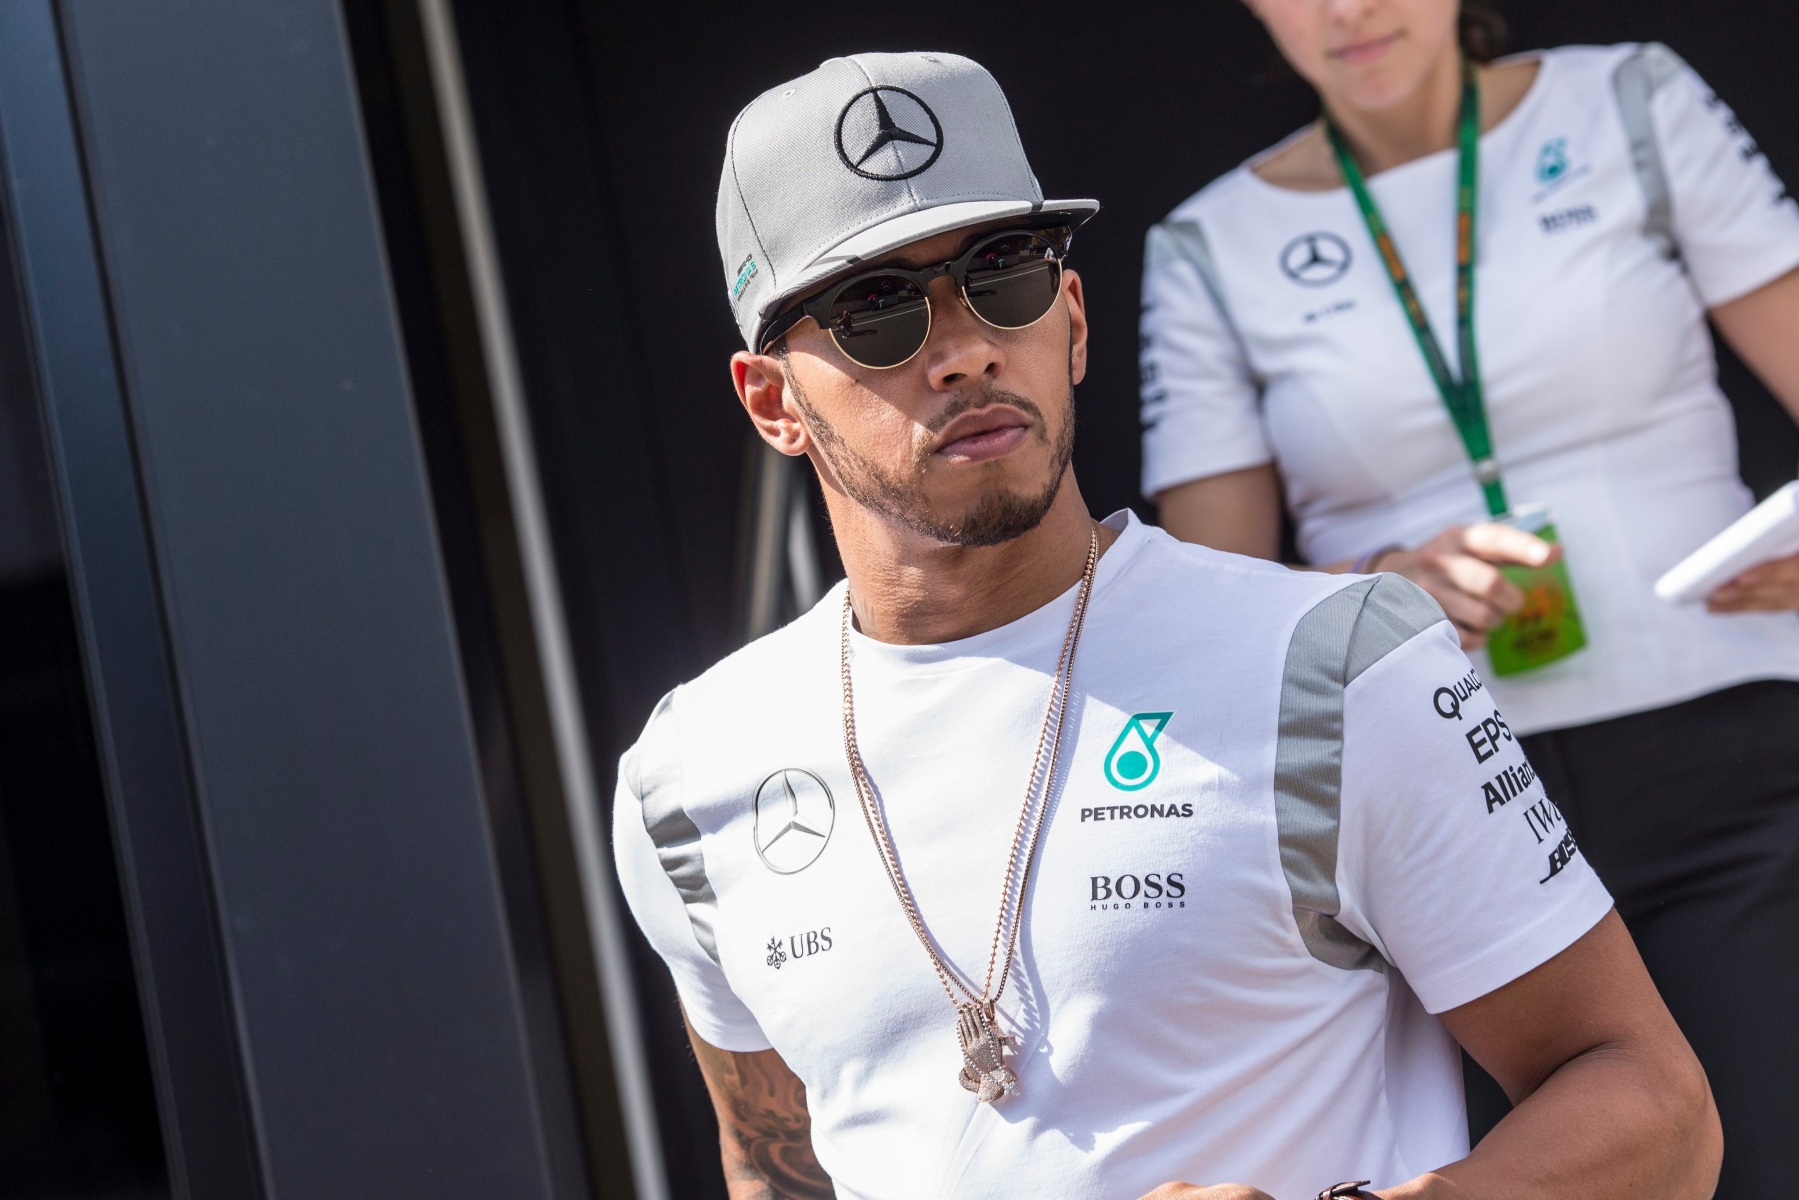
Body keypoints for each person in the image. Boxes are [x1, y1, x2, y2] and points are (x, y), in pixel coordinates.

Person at [615, 50, 1718, 1200]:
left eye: (1004, 275)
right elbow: (776, 1175)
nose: (968, 348)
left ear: (1073, 321)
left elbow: (1656, 1109)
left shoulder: (1332, 661)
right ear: (770, 401)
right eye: (877, 312)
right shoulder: (685, 779)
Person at [1139, 4, 1799, 1193]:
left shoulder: (1631, 100)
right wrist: (1370, 586)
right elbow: (1207, 611)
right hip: (1440, 815)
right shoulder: (1207, 243)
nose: (1344, 10)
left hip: (1725, 758)